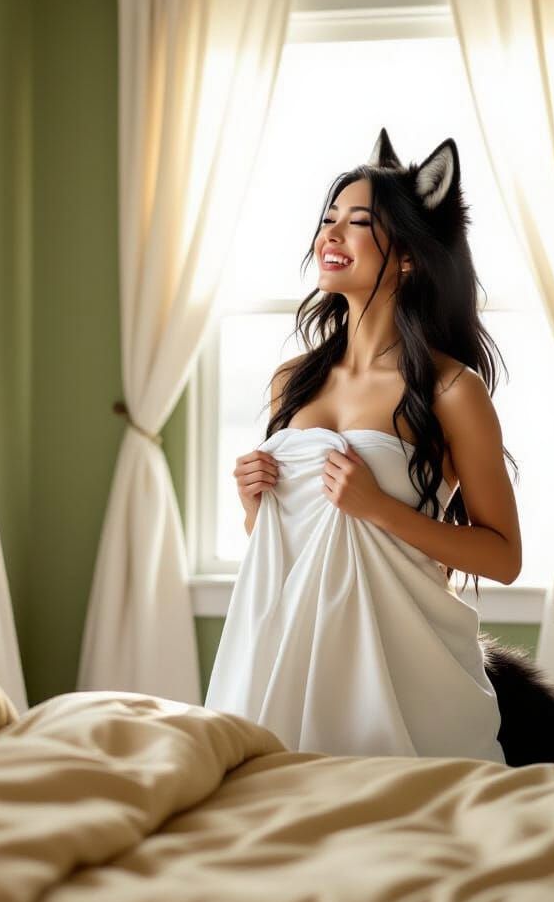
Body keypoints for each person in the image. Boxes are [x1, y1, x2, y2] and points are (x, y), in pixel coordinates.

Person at [203, 129, 521, 763]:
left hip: (403, 677)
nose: (330, 235)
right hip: (283, 654)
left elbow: (504, 557)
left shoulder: (454, 390)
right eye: (327, 220)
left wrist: (378, 507)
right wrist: (254, 504)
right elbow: (299, 545)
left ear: (406, 256)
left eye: (356, 223)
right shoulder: (291, 381)